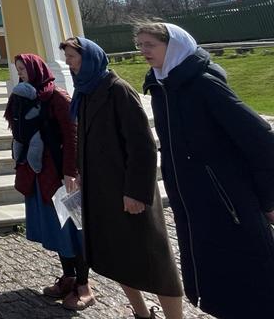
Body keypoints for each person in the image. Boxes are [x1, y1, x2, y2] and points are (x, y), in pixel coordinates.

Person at [138, 21, 274, 318]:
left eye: (150, 44)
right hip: (194, 204)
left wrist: (268, 199)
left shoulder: (202, 84)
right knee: (216, 283)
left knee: (252, 285)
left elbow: (261, 139)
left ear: (172, 47)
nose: (143, 51)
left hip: (228, 203)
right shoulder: (163, 86)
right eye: (140, 44)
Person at [62, 36, 183, 318]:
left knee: (155, 260)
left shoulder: (118, 91)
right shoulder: (84, 92)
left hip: (128, 191)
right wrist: (79, 173)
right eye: (66, 57)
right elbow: (83, 139)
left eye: (72, 57)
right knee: (118, 257)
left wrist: (136, 192)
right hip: (101, 190)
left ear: (89, 58)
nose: (68, 63)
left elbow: (142, 146)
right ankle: (141, 312)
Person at [4, 54, 93, 309]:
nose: (20, 73)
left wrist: (71, 172)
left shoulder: (58, 97)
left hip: (62, 177)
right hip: (37, 175)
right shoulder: (24, 97)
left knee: (74, 231)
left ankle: (85, 287)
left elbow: (72, 135)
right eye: (18, 69)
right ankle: (68, 278)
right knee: (57, 230)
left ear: (37, 69)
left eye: (24, 69)